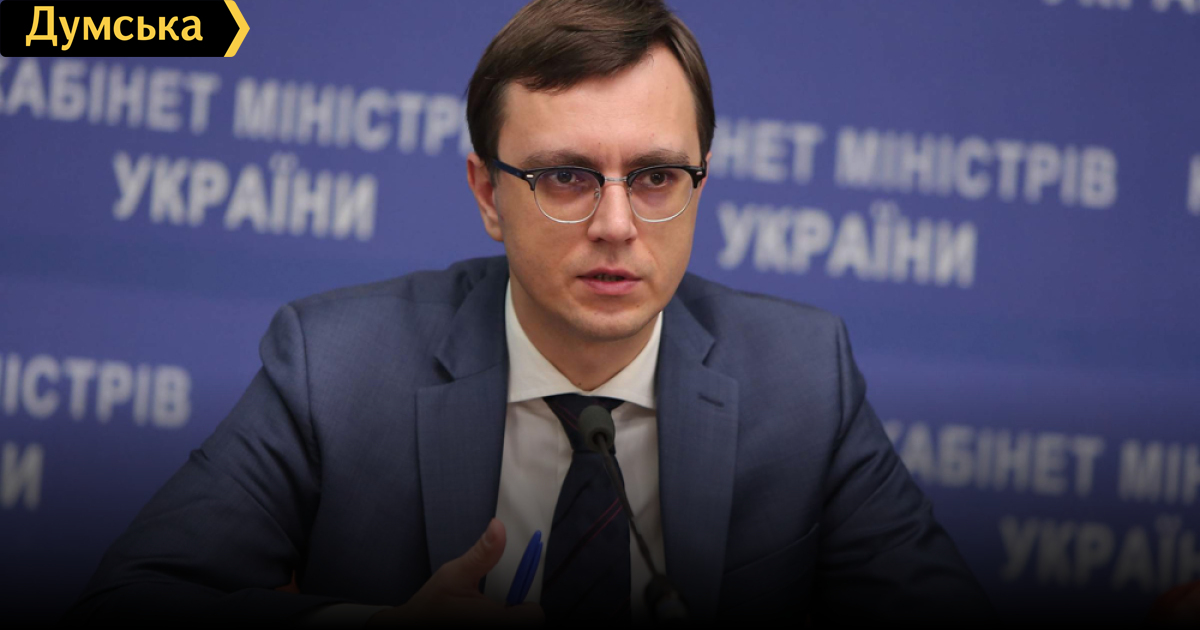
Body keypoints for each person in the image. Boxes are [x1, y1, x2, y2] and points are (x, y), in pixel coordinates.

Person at [68, 0, 993, 625]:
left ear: (701, 184)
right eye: (565, 178)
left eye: (657, 177)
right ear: (487, 193)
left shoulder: (802, 376)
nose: (617, 224)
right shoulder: (337, 366)